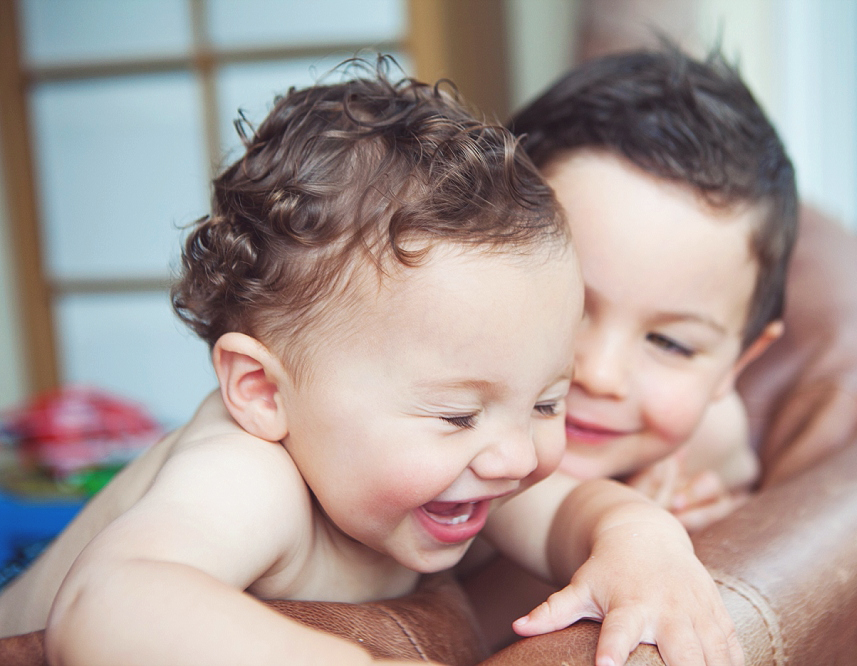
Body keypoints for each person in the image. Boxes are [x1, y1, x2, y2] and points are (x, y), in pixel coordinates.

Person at [0, 64, 742, 666]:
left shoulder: (470, 457)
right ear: (262, 392)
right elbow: (109, 604)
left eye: (548, 401)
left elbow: (580, 513)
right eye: (457, 413)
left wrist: (647, 546)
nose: (521, 456)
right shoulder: (250, 475)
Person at [462, 41, 797, 651]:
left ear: (738, 363)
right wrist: (628, 530)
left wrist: (716, 510)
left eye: (670, 342)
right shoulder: (437, 431)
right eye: (568, 306)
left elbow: (736, 466)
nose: (601, 374)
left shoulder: (708, 437)